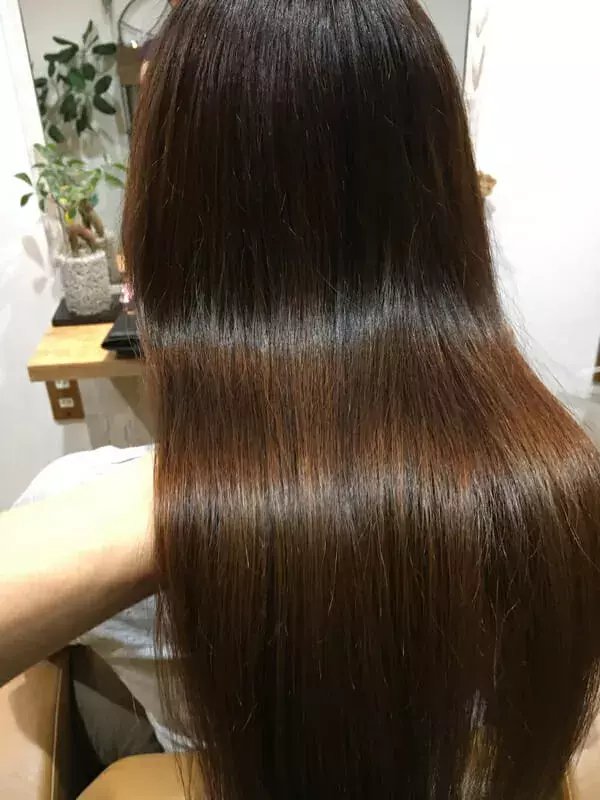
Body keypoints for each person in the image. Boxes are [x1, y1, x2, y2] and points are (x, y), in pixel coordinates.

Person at [3, 0, 600, 797]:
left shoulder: (83, 512)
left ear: (167, 245)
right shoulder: (555, 503)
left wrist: (206, 500)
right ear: (449, 216)